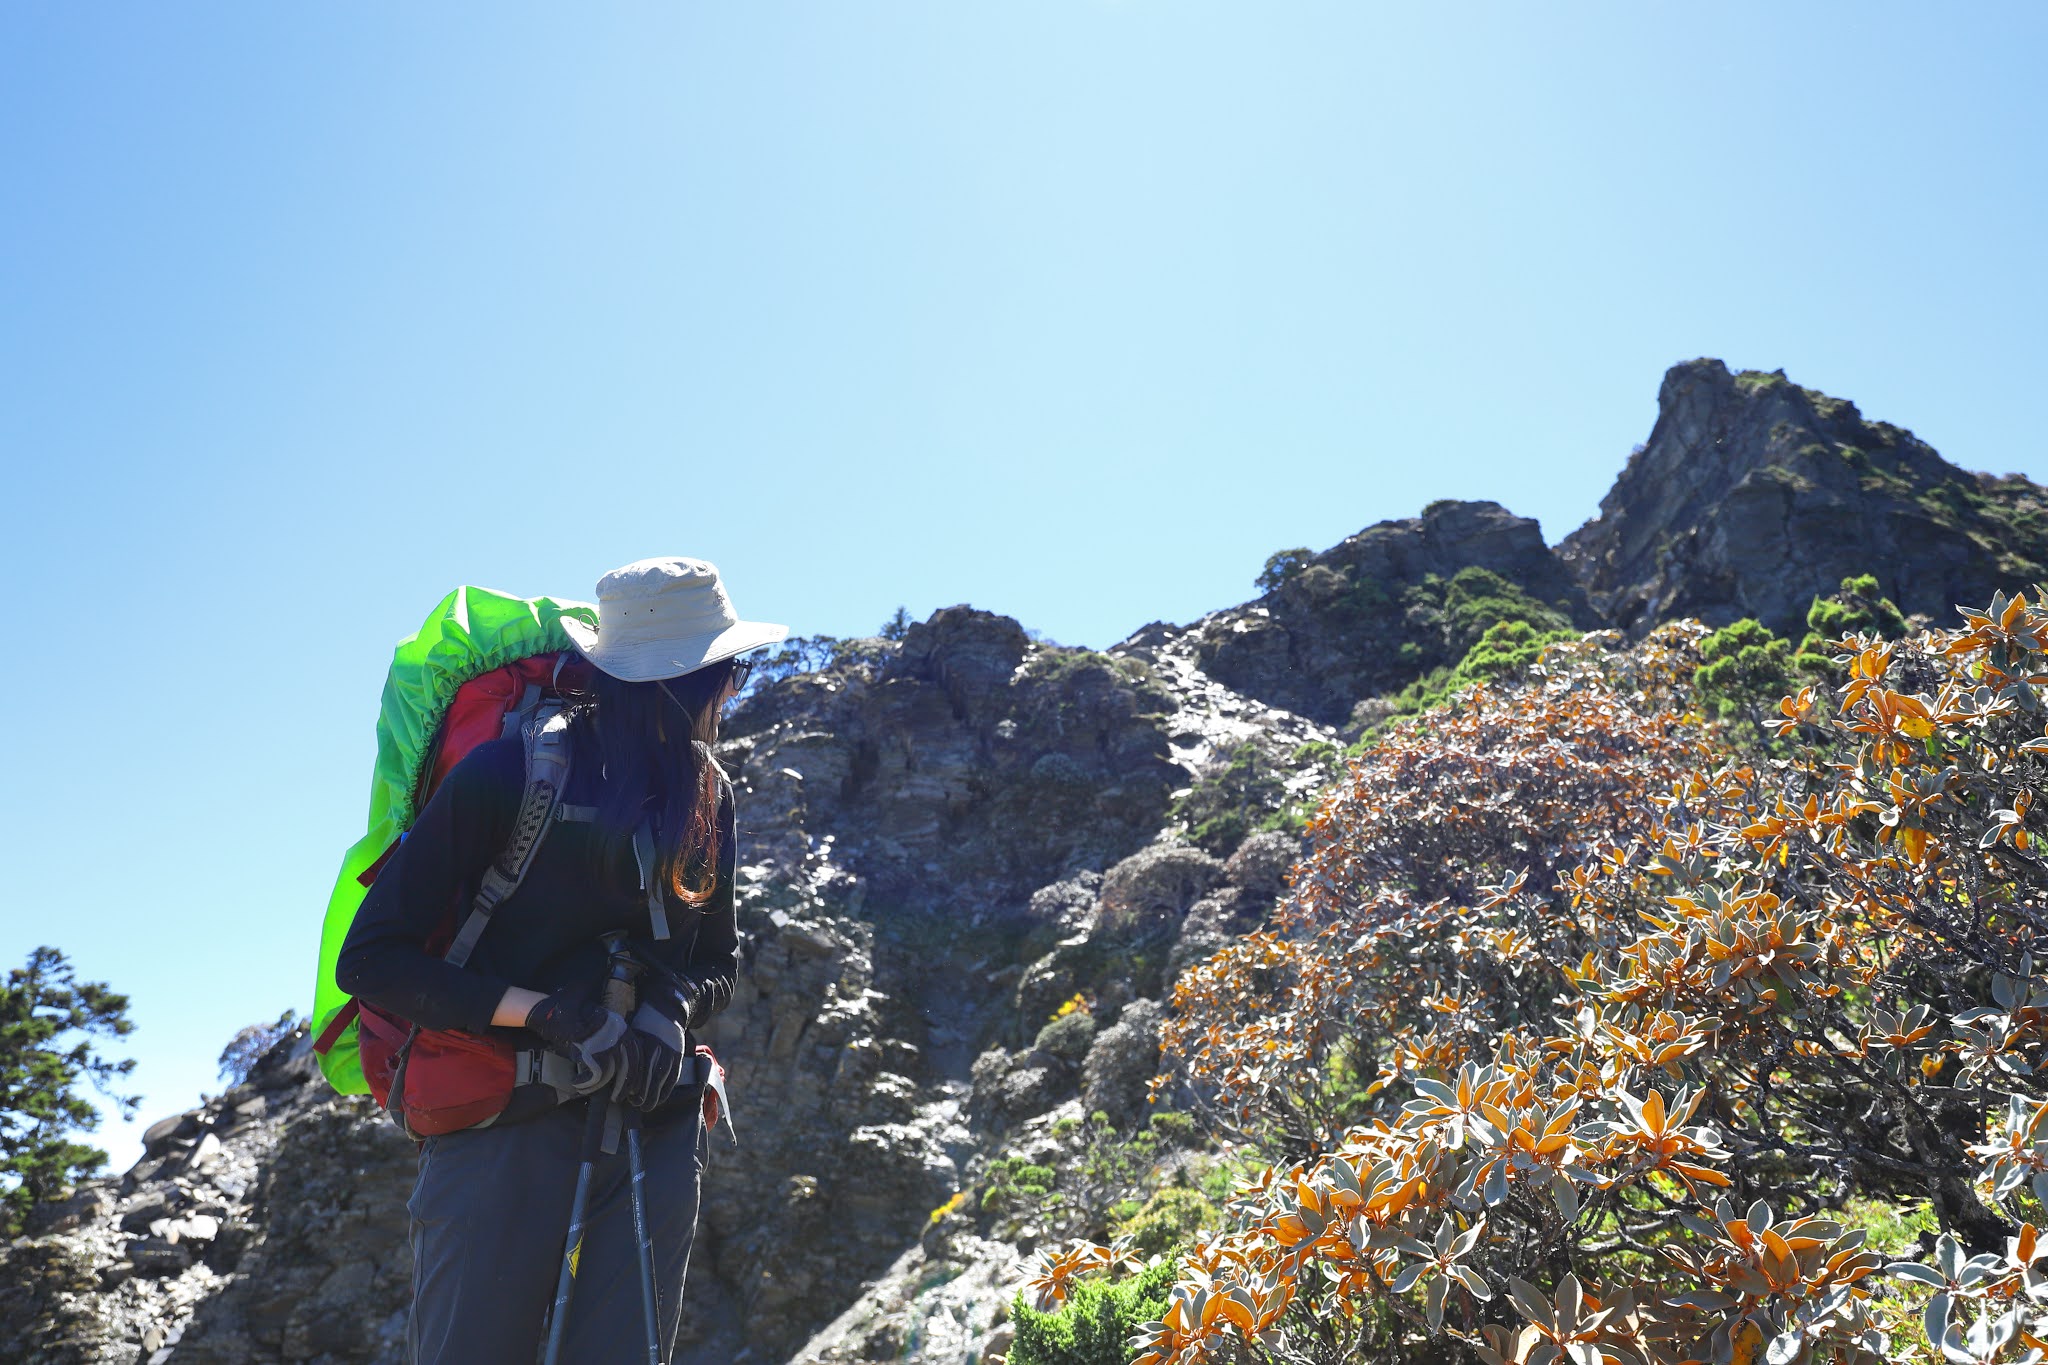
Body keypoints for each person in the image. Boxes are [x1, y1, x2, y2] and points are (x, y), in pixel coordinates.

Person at [336, 556, 785, 1364]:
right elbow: (372, 960)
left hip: (652, 1117)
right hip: (503, 1122)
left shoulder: (709, 796)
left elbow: (718, 958)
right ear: (678, 681)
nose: (733, 692)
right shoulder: (507, 775)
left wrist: (669, 1010)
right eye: (730, 672)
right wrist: (539, 1012)